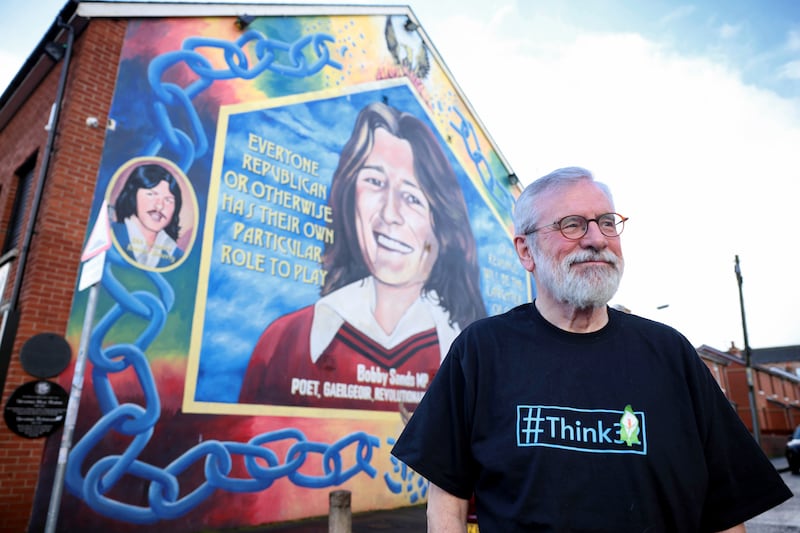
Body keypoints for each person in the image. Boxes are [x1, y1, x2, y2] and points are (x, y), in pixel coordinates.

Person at [391, 167, 792, 532]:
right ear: (525, 251)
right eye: (572, 225)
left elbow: (726, 511)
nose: (597, 239)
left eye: (606, 222)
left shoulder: (672, 354)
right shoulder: (480, 352)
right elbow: (447, 502)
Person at [239, 102, 486, 410]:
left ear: (441, 225)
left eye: (412, 197)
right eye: (374, 182)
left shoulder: (471, 358)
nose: (389, 214)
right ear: (348, 196)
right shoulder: (286, 341)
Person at [111, 163, 184, 268]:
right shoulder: (111, 235)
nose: (159, 206)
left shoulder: (176, 255)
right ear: (132, 195)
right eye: (151, 194)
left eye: (168, 200)